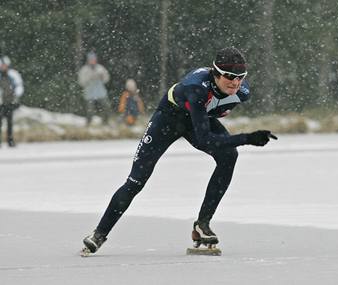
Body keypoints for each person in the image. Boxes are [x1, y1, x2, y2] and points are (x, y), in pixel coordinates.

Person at [81, 47, 277, 254]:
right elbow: (206, 139)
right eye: (229, 76)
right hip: (168, 119)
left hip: (197, 119)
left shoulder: (242, 92)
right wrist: (246, 138)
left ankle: (203, 224)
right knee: (136, 180)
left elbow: (209, 121)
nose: (235, 83)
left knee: (229, 156)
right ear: (215, 72)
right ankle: (99, 233)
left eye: (240, 77)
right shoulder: (196, 88)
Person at [77, 51, 111, 125]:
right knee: (90, 110)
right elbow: (81, 82)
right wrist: (89, 78)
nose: (92, 61)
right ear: (88, 60)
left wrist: (102, 77)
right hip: (89, 92)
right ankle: (88, 123)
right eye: (91, 60)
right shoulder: (84, 70)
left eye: (94, 59)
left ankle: (105, 122)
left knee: (107, 106)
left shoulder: (100, 68)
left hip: (100, 91)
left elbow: (107, 79)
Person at [0, 56, 24, 147]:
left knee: (10, 122)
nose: (3, 67)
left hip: (10, 102)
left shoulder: (13, 74)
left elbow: (19, 86)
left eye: (4, 65)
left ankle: (10, 141)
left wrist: (16, 95)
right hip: (1, 102)